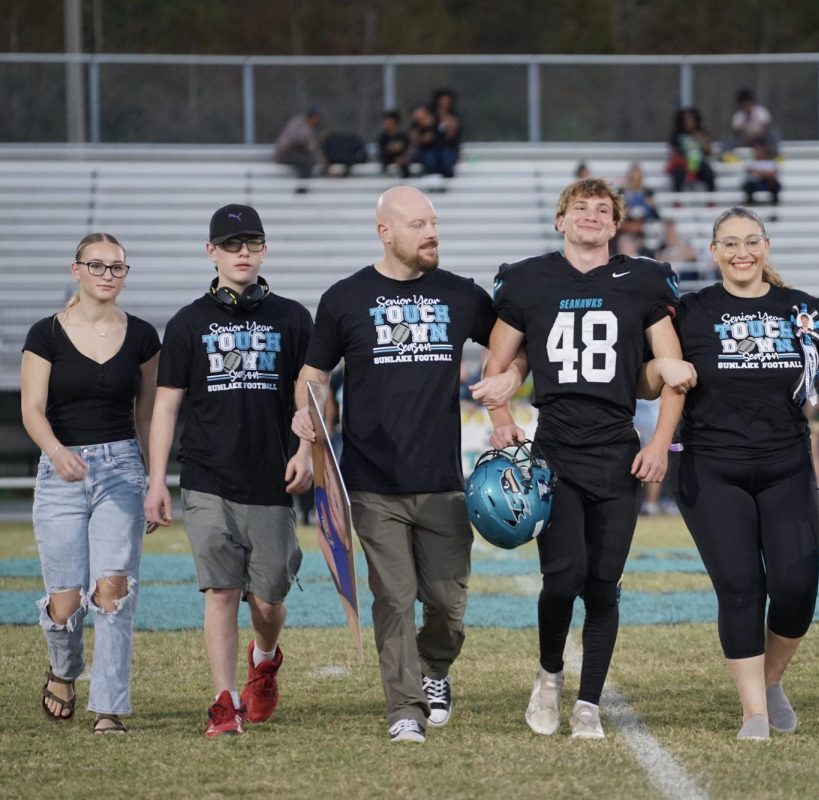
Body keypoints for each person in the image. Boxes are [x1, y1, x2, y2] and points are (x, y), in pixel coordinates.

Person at [291, 186, 525, 744]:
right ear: (385, 232)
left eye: (434, 222)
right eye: (418, 224)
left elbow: (513, 345)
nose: (431, 232)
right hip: (371, 484)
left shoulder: (459, 294)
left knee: (448, 605)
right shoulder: (344, 298)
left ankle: (433, 668)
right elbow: (313, 375)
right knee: (393, 598)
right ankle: (404, 707)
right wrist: (308, 426)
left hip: (445, 482)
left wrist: (508, 386)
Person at [481, 177, 691, 739]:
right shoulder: (528, 280)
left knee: (603, 585)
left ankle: (588, 703)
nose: (592, 216)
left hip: (618, 450)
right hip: (554, 452)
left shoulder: (642, 280)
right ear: (560, 219)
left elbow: (673, 373)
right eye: (581, 208)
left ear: (617, 223)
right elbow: (498, 368)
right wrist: (502, 422)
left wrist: (659, 444)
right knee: (562, 577)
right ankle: (549, 675)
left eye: (604, 210)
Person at [659, 206, 819, 739]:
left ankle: (769, 680)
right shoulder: (688, 311)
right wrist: (661, 369)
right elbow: (650, 378)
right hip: (711, 468)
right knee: (740, 588)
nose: (742, 252)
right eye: (730, 243)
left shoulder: (801, 307)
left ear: (767, 246)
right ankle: (754, 713)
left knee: (797, 587)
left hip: (786, 466)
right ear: (714, 252)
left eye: (751, 241)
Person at [144, 204, 314, 737]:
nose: (243, 253)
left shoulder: (292, 317)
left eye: (252, 243)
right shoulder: (188, 322)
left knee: (268, 599)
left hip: (270, 478)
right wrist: (157, 481)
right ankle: (223, 702)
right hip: (206, 477)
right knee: (219, 592)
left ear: (264, 249)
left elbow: (308, 399)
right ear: (211, 251)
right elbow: (166, 406)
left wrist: (306, 453)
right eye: (232, 244)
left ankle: (264, 659)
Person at [21, 233, 160, 735]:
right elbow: (31, 409)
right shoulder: (45, 334)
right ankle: (63, 670)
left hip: (121, 468)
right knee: (65, 598)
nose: (107, 275)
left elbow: (148, 413)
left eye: (118, 267)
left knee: (113, 589)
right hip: (60, 470)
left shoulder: (144, 336)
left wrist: (154, 479)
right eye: (97, 265)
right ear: (75, 269)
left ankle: (109, 707)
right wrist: (57, 453)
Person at [667, 108, 716, 192]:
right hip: (684, 164)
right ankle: (677, 201)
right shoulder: (677, 135)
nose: (689, 122)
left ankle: (711, 200)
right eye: (686, 119)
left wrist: (702, 141)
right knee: (677, 174)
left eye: (691, 119)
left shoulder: (701, 133)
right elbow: (673, 153)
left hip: (699, 164)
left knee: (709, 173)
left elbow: (710, 152)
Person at [273, 107, 323, 189]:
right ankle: (302, 187)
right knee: (307, 161)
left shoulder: (310, 127)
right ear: (313, 117)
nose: (319, 120)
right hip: (287, 152)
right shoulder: (298, 124)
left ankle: (304, 185)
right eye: (318, 118)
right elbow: (297, 140)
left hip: (299, 154)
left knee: (310, 161)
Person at [741, 141, 781, 206]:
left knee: (775, 185)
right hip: (755, 183)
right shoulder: (751, 163)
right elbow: (749, 172)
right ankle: (750, 201)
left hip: (767, 183)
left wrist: (757, 172)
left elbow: (772, 174)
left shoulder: (771, 162)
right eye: (756, 150)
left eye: (759, 150)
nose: (757, 152)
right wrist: (765, 173)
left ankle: (774, 203)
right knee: (748, 185)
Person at [378, 110, 412, 177]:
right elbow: (381, 151)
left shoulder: (402, 135)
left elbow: (408, 149)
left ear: (394, 121)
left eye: (388, 121)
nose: (385, 123)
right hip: (388, 160)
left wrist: (402, 157)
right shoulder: (383, 137)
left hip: (401, 160)